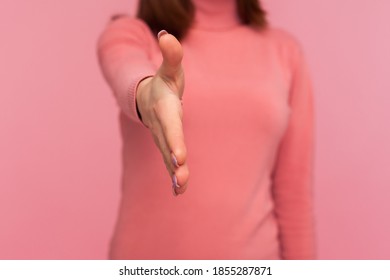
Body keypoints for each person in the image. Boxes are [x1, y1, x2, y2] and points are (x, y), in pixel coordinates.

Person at [97, 0, 316, 259]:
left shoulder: (285, 51)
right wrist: (147, 93)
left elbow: (294, 196)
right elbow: (127, 70)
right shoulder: (134, 34)